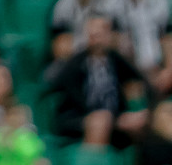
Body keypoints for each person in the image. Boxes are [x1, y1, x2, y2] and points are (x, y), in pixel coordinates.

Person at [47, 15, 146, 146]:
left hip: (115, 115)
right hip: (80, 116)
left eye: (100, 35)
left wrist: (133, 105)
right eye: (92, 36)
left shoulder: (115, 59)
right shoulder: (76, 64)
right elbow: (73, 97)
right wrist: (114, 119)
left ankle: (139, 164)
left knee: (144, 119)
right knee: (99, 121)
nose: (96, 40)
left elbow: (140, 80)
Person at [45, 0, 110, 69]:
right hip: (73, 57)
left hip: (97, 52)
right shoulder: (64, 5)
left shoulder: (105, 3)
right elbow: (59, 43)